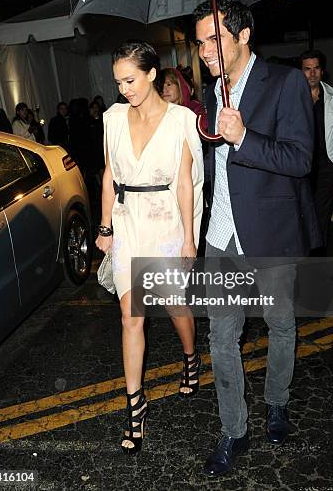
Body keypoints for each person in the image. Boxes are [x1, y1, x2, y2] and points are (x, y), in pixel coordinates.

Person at [193, 0, 320, 477]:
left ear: (244, 36)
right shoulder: (210, 94)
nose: (205, 50)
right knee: (222, 336)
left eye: (214, 39)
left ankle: (277, 401)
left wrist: (244, 137)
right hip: (222, 236)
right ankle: (234, 428)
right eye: (200, 41)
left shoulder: (285, 83)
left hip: (271, 233)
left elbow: (300, 160)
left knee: (281, 325)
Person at [95, 40, 204, 454]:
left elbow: (184, 182)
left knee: (176, 307)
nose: (124, 89)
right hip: (128, 220)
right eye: (118, 82)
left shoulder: (180, 120)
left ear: (152, 74)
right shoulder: (112, 118)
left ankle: (191, 356)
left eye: (130, 79)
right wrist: (104, 227)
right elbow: (108, 175)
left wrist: (189, 239)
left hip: (164, 221)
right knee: (131, 315)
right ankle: (135, 406)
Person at [300, 50, 333, 249]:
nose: (312, 73)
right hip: (301, 165)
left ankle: (318, 256)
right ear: (301, 71)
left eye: (316, 68)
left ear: (322, 71)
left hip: (328, 165)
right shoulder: (292, 97)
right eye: (307, 69)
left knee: (322, 213)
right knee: (302, 212)